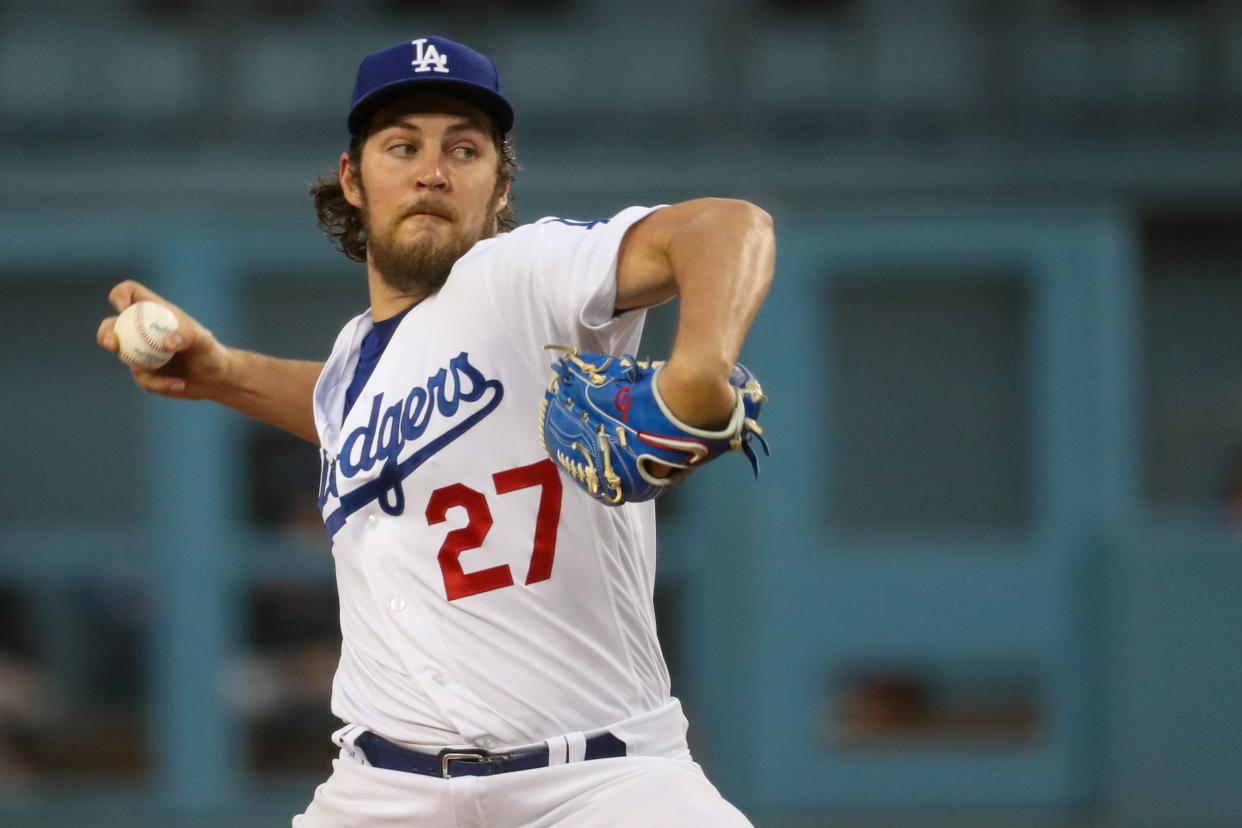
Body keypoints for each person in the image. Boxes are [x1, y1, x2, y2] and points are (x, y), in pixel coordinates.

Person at [97, 36, 773, 826]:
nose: (432, 169)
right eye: (401, 145)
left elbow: (729, 226)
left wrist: (698, 366)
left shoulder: (525, 273)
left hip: (601, 783)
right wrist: (222, 372)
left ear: (501, 184)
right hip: (384, 791)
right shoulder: (357, 364)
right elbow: (341, 407)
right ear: (353, 179)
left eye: (464, 148)